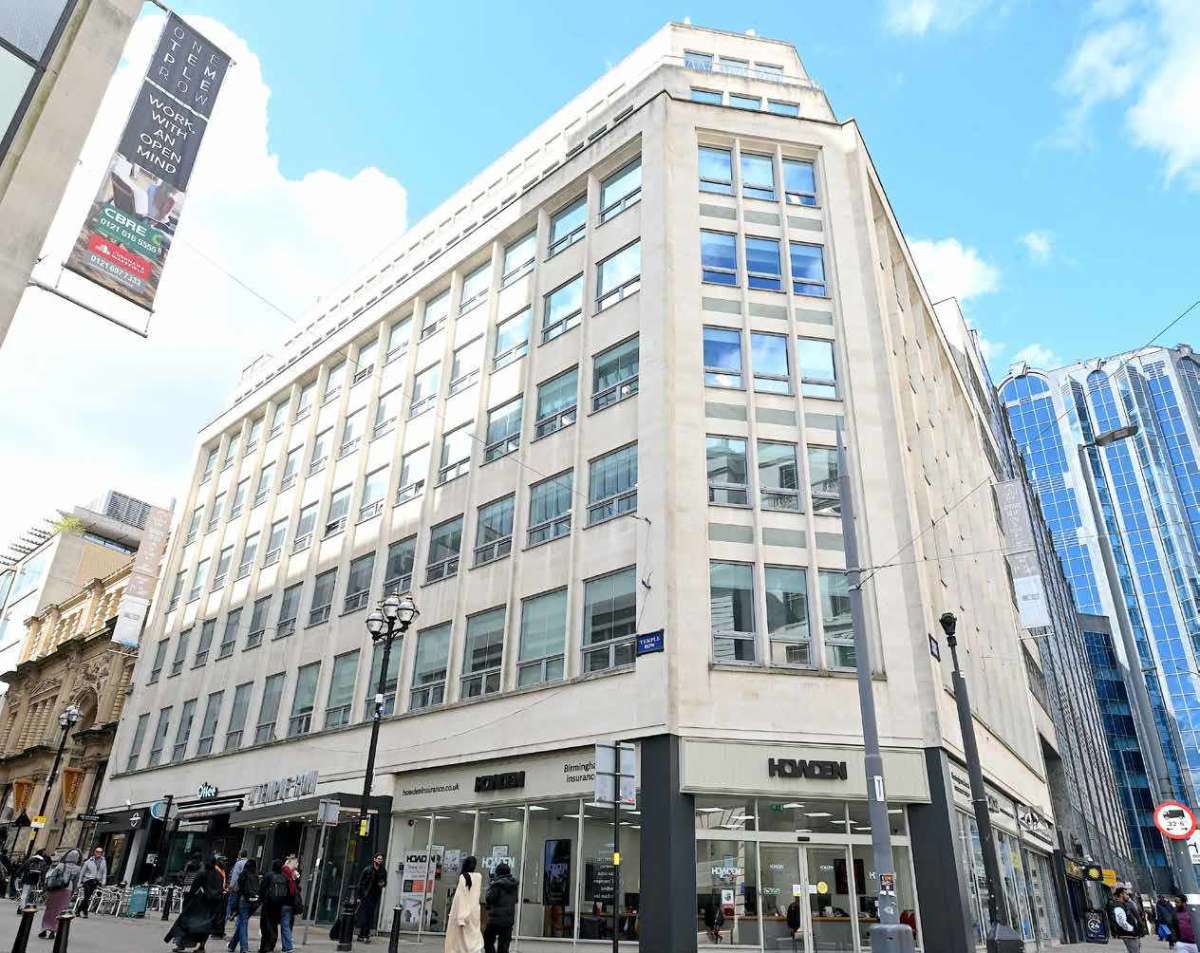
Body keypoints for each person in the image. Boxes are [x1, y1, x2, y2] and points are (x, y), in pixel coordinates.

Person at [165, 855, 225, 953]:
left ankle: (181, 944)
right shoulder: (219, 875)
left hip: (202, 902)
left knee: (187, 921)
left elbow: (194, 888)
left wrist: (188, 899)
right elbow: (221, 888)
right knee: (207, 926)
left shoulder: (203, 873)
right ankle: (201, 946)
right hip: (214, 903)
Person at [38, 848, 81, 940]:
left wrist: (47, 889)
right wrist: (72, 892)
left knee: (50, 909)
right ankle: (53, 930)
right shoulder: (78, 869)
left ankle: (44, 928)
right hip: (67, 890)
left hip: (55, 889)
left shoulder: (61, 865)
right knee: (60, 910)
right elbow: (75, 882)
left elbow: (52, 876)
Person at [444, 855, 482, 953]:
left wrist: (461, 918)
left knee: (459, 941)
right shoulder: (478, 877)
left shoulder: (463, 877)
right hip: (474, 912)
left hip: (463, 912)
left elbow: (461, 897)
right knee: (473, 938)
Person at [483, 861, 518, 953]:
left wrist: (490, 886)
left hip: (495, 920)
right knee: (504, 947)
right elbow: (516, 900)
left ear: (498, 872)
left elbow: (489, 899)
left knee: (488, 941)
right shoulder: (514, 885)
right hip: (508, 920)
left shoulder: (496, 885)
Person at [259, 859, 291, 952]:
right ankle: (271, 944)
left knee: (265, 925)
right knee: (274, 924)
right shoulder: (285, 877)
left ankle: (264, 947)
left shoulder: (268, 875)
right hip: (279, 905)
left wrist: (261, 900)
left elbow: (262, 889)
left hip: (268, 904)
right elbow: (288, 892)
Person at [229, 858, 259, 953]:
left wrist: (234, 906)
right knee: (243, 923)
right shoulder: (255, 876)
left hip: (244, 901)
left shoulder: (243, 874)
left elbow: (239, 889)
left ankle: (244, 948)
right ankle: (232, 945)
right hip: (253, 902)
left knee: (243, 924)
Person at [355, 853, 387, 942]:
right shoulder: (367, 869)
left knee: (370, 915)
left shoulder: (383, 871)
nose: (380, 861)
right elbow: (361, 883)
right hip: (366, 895)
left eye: (381, 859)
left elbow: (385, 882)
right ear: (374, 859)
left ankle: (366, 934)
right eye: (378, 859)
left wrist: (382, 883)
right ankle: (362, 935)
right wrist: (359, 896)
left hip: (375, 896)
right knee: (365, 915)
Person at [1109, 886, 1143, 953]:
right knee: (1134, 951)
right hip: (1128, 933)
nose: (1128, 896)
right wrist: (1132, 929)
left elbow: (1137, 917)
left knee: (1136, 950)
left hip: (1132, 933)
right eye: (1126, 894)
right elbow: (1118, 921)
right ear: (1121, 894)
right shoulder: (1116, 905)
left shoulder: (1127, 904)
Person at [279, 855, 301, 953]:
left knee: (285, 925)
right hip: (288, 903)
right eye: (296, 863)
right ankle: (287, 947)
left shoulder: (289, 873)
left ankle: (287, 947)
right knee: (287, 925)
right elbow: (294, 890)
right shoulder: (288, 872)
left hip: (287, 903)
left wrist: (296, 879)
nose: (297, 865)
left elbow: (296, 889)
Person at [78, 846, 107, 917]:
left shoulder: (103, 861)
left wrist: (103, 881)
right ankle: (85, 912)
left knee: (87, 897)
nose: (98, 853)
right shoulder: (89, 861)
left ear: (102, 853)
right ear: (94, 852)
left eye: (100, 852)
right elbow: (82, 872)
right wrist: (79, 882)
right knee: (87, 896)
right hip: (87, 880)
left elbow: (104, 872)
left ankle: (78, 911)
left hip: (95, 881)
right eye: (97, 851)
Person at [226, 850, 248, 925]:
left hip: (236, 888)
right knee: (241, 909)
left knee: (229, 905)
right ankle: (237, 925)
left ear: (240, 855)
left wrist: (230, 887)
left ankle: (224, 923)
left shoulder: (238, 863)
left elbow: (235, 876)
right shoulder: (249, 863)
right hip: (245, 890)